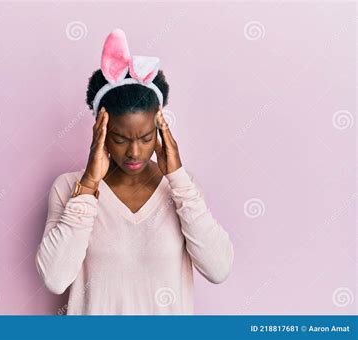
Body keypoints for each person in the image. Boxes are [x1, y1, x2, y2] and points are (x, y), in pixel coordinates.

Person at [35, 29, 234, 315]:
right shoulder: (69, 189)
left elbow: (218, 268)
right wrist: (89, 185)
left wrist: (177, 178)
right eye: (120, 138)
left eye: (145, 138)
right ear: (100, 133)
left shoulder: (182, 190)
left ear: (159, 130)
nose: (135, 152)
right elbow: (55, 278)